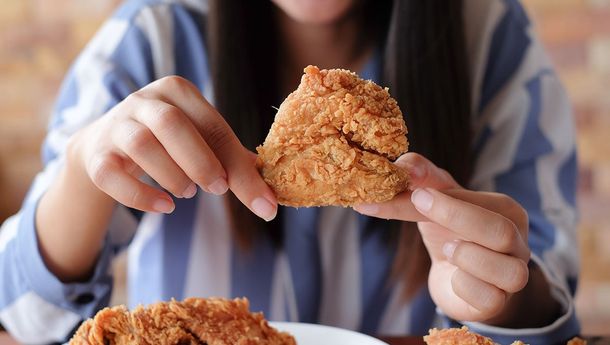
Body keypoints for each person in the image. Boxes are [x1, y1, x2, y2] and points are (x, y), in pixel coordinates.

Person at [0, 0, 579, 343]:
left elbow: (545, 301)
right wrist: (82, 170)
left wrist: (498, 299)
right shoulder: (152, 35)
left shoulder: (489, 37)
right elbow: (26, 318)